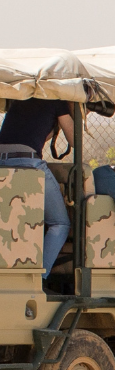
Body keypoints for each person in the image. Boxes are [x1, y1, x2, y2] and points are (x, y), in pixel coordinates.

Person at [0, 98, 76, 280]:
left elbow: (35, 134)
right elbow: (75, 140)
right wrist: (73, 115)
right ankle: (37, 278)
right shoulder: (57, 100)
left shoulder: (21, 96)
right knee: (60, 224)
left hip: (2, 162)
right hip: (28, 163)